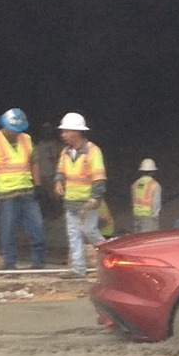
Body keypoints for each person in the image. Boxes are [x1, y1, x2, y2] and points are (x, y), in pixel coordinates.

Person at [54, 112, 107, 278]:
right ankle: (78, 269)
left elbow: (99, 177)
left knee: (91, 231)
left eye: (66, 131)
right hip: (71, 202)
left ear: (76, 132)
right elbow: (61, 170)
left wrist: (95, 197)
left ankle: (109, 261)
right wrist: (58, 181)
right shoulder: (65, 152)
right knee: (74, 235)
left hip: (86, 203)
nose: (63, 135)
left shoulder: (92, 151)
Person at [0, 108, 48, 270]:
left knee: (38, 228)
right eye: (13, 130)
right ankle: (10, 265)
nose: (16, 133)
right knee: (8, 232)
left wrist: (38, 185)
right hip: (6, 196)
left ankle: (39, 264)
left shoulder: (26, 139)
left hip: (28, 194)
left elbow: (34, 161)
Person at [35, 121, 63, 219]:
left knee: (56, 197)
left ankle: (57, 214)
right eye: (44, 130)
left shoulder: (58, 145)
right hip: (42, 175)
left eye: (49, 130)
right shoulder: (38, 146)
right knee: (43, 198)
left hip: (54, 175)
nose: (47, 132)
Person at [131, 158, 162, 232]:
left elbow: (133, 199)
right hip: (149, 216)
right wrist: (155, 216)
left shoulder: (135, 184)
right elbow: (156, 202)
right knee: (148, 239)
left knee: (138, 238)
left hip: (136, 214)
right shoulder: (154, 184)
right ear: (153, 172)